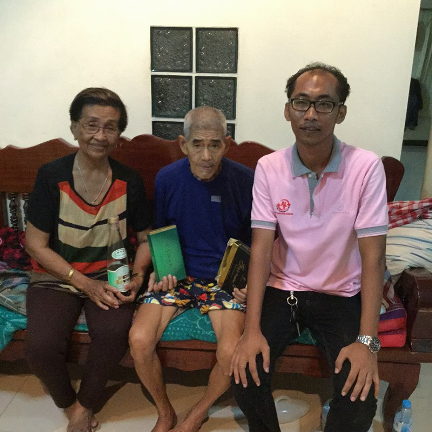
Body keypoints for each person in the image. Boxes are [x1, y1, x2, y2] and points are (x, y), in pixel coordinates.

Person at [230, 63, 388, 432]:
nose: (311, 114)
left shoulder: (366, 167)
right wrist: (251, 331)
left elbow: (374, 257)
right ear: (288, 110)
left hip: (341, 293)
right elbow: (261, 249)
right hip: (284, 287)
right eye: (301, 102)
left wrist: (367, 342)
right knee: (245, 375)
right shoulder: (269, 168)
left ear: (340, 112)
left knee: (360, 397)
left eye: (324, 104)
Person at [25, 88, 152, 432]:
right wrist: (84, 284)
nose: (100, 135)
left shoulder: (129, 180)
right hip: (58, 275)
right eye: (91, 124)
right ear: (74, 127)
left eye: (110, 127)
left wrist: (138, 276)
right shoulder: (51, 176)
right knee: (40, 347)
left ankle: (86, 404)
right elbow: (35, 245)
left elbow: (146, 239)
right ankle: (70, 405)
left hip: (111, 275)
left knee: (114, 331)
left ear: (119, 134)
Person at [129, 106, 253, 432]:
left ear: (227, 144)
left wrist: (248, 282)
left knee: (230, 351)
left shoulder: (245, 180)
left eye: (215, 145)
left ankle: (199, 412)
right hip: (178, 273)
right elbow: (161, 233)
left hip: (223, 278)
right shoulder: (167, 178)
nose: (206, 155)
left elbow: (255, 241)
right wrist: (158, 268)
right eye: (197, 144)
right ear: (183, 144)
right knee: (139, 340)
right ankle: (165, 411)